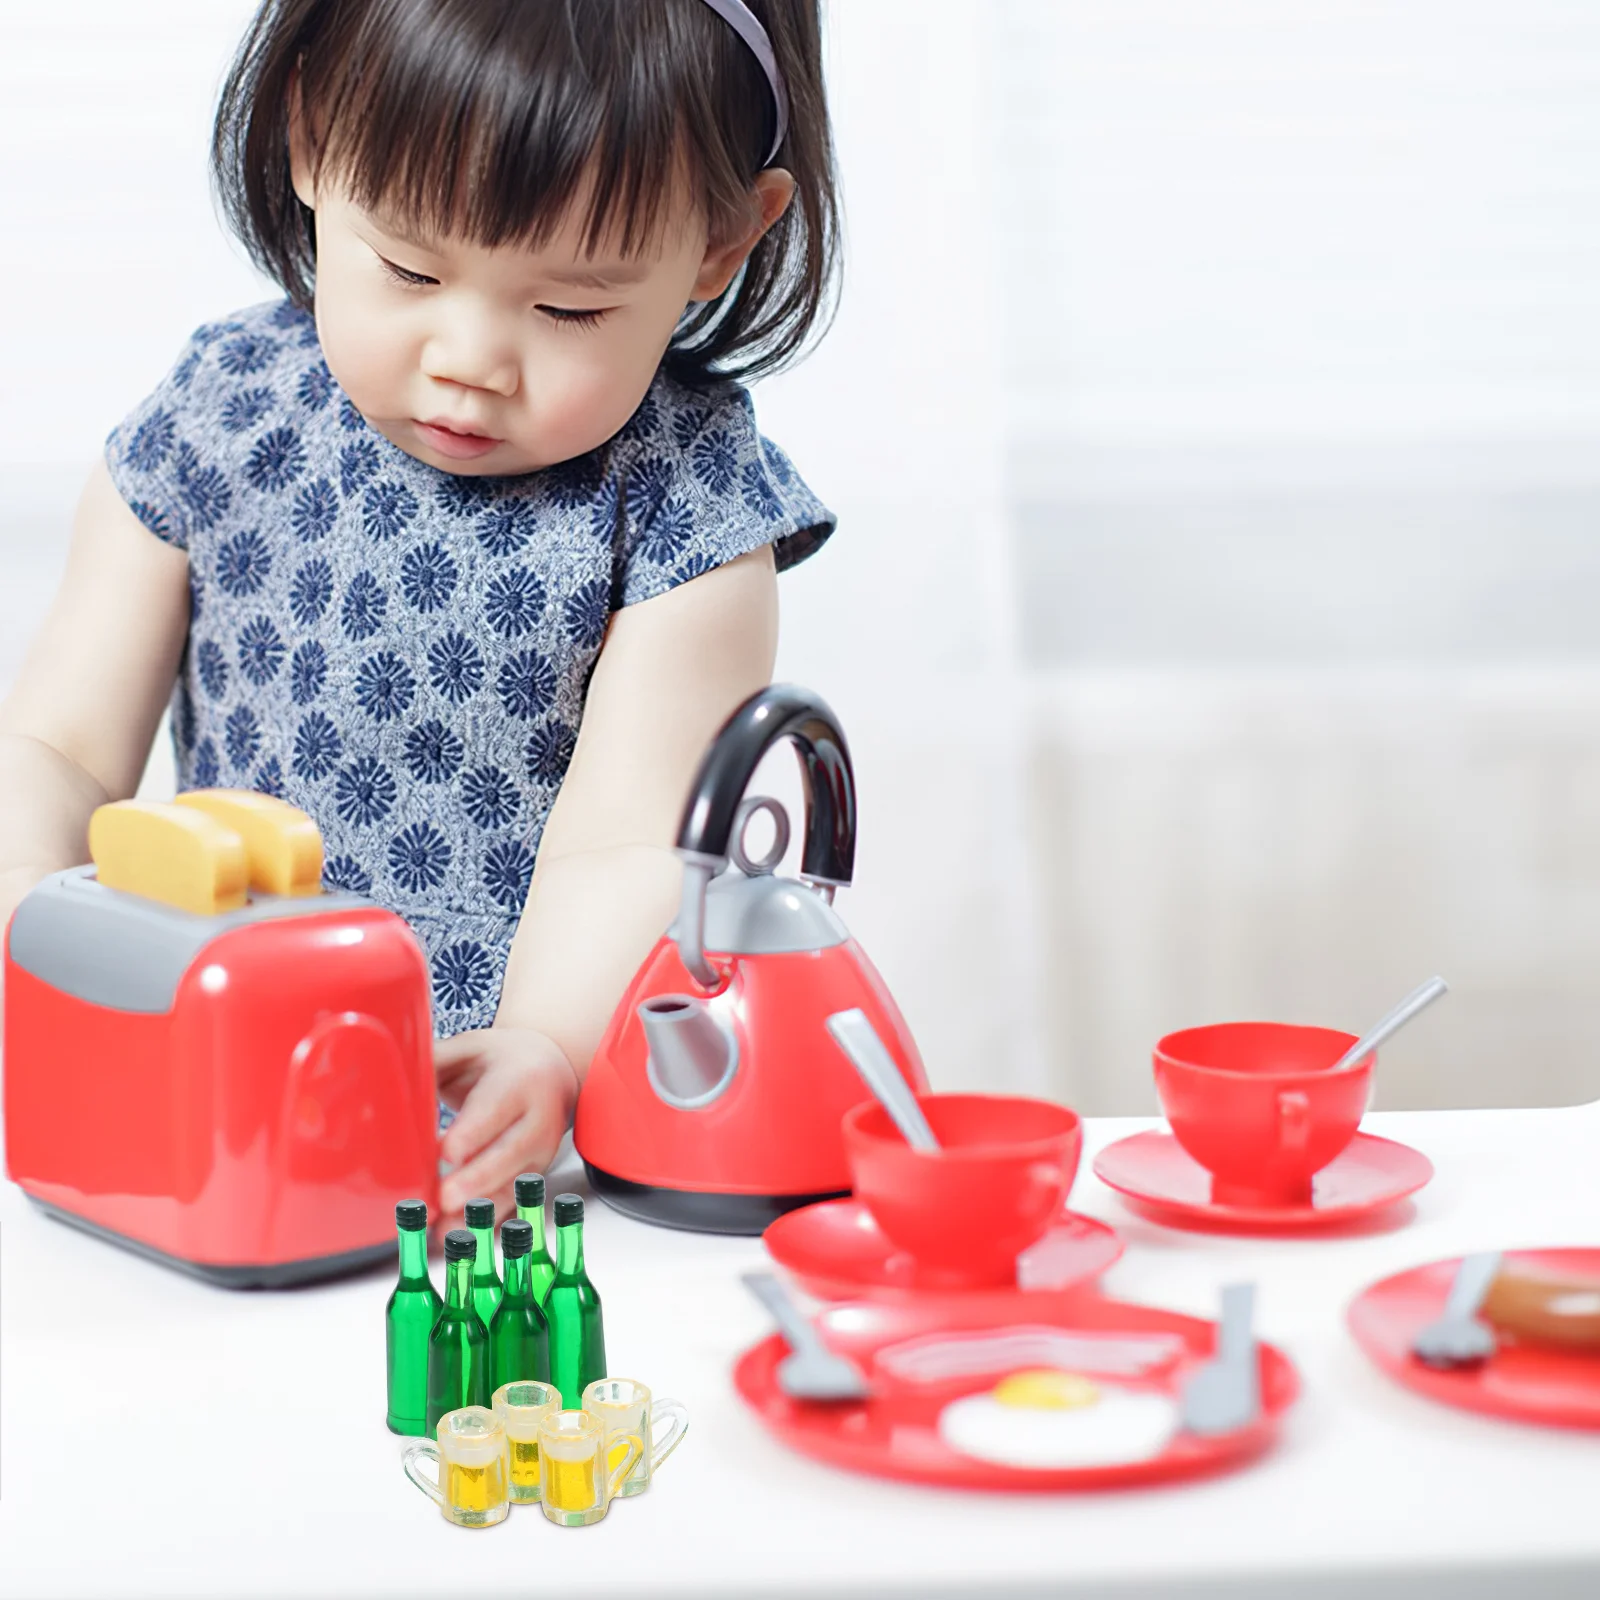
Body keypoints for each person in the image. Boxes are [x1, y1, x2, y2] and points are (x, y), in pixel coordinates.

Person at [0, 0, 839, 1218]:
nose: (472, 358)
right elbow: (59, 744)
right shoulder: (220, 418)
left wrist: (544, 1049)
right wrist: (29, 895)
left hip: (497, 1151)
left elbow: (624, 842)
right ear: (309, 137)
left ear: (720, 244)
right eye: (409, 268)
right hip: (213, 1103)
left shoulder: (686, 505)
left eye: (568, 309)